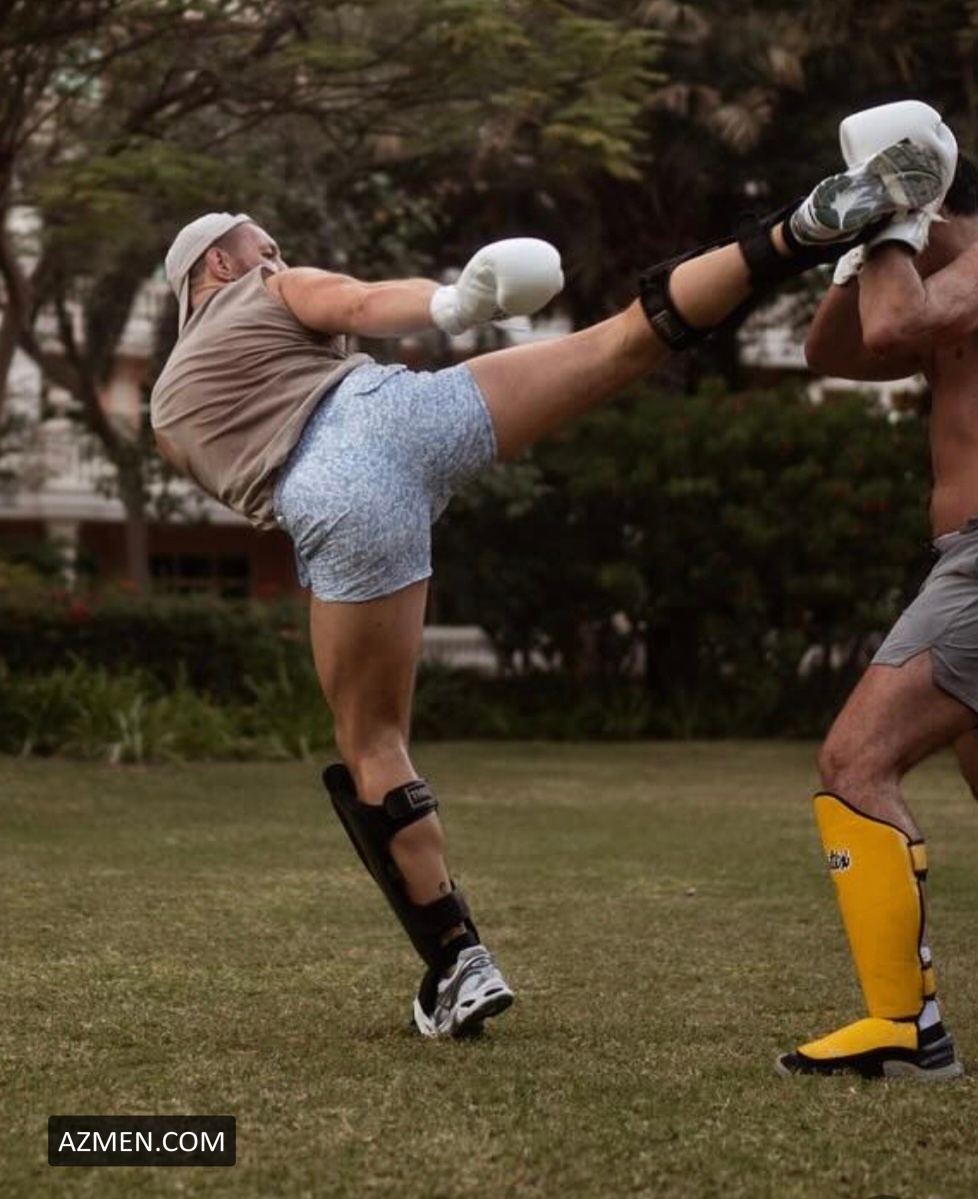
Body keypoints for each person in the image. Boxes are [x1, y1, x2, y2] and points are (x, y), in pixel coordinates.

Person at [150, 101, 954, 1040]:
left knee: (373, 743)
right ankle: (794, 230)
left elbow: (255, 480)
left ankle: (458, 959)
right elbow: (357, 303)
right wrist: (453, 304)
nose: (279, 258)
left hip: (328, 498)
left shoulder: (166, 410)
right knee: (626, 337)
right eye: (265, 247)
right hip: (399, 415)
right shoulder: (267, 289)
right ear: (218, 265)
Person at [776, 121, 978, 1081]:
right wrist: (860, 240)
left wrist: (896, 219)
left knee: (854, 761)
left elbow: (894, 329)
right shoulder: (931, 286)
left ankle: (905, 1028)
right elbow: (833, 351)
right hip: (959, 556)